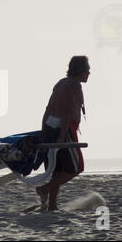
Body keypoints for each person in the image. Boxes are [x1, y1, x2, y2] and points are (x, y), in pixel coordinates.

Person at [36, 55, 90, 211]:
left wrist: (44, 130)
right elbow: (66, 112)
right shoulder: (74, 86)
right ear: (80, 70)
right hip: (64, 129)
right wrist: (61, 137)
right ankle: (44, 189)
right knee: (77, 167)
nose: (89, 73)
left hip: (50, 126)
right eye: (87, 69)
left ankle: (52, 205)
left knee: (57, 170)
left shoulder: (61, 82)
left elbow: (48, 108)